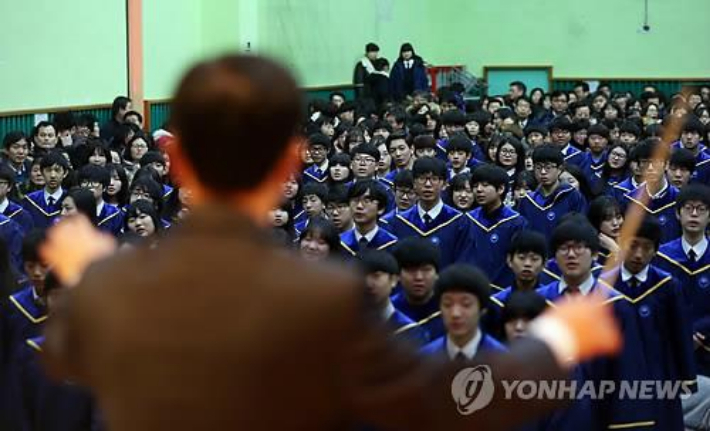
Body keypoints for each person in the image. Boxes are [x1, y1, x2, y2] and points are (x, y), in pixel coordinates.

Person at [40, 54, 622, 431]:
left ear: (176, 160)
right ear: (291, 161)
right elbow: (434, 399)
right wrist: (555, 340)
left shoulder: (109, 283)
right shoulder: (323, 293)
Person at [599, 216, 696, 431]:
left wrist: (686, 377)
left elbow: (680, 334)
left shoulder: (668, 286)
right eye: (632, 246)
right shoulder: (603, 284)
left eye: (647, 248)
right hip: (615, 376)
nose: (638, 255)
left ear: (656, 251)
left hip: (660, 374)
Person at [388, 157, 473, 268]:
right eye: (422, 178)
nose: (428, 184)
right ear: (414, 183)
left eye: (434, 179)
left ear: (444, 184)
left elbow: (463, 264)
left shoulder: (459, 222)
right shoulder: (399, 222)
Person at [420, 264, 506, 360]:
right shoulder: (423, 360)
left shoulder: (504, 361)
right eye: (448, 304)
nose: (455, 314)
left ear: (482, 309)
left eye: (466, 304)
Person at [465, 164, 527, 289]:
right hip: (471, 289)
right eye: (475, 186)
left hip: (504, 291)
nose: (479, 190)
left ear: (500, 189)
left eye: (485, 185)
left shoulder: (516, 222)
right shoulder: (467, 220)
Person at [517, 145, 586, 234]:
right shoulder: (527, 201)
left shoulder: (572, 195)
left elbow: (580, 228)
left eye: (548, 167)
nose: (543, 172)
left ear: (559, 169)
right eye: (538, 167)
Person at [356, 250, 423, 342]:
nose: (368, 284)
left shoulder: (410, 331)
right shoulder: (341, 326)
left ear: (393, 280)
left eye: (376, 276)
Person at [339, 180, 398, 256]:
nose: (359, 206)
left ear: (381, 209)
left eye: (366, 201)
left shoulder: (392, 244)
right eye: (355, 200)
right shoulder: (339, 243)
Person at [22, 151, 69, 229]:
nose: (53, 175)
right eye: (48, 170)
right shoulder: (30, 201)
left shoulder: (71, 200)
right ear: (42, 172)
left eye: (57, 170)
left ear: (65, 173)